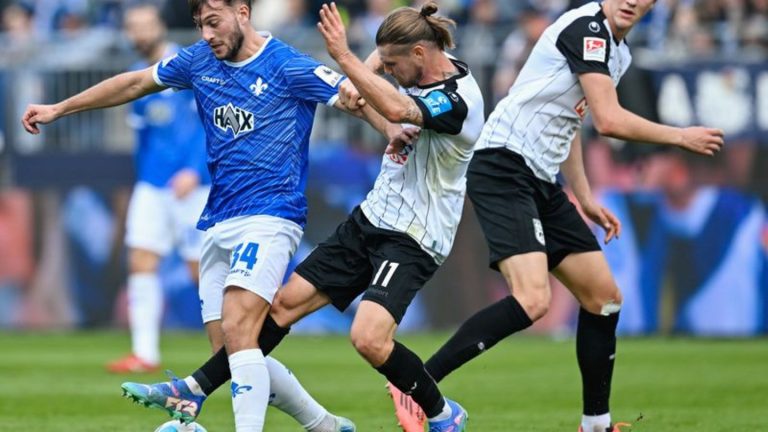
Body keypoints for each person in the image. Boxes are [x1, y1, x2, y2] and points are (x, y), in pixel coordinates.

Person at [20, 0, 407, 429]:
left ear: (242, 13)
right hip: (218, 218)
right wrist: (59, 109)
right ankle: (326, 425)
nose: (206, 34)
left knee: (241, 330)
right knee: (232, 352)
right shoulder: (198, 61)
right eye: (200, 25)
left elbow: (354, 98)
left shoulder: (287, 65)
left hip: (271, 216)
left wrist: (391, 128)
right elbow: (133, 83)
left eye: (213, 22)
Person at [122, 2, 484, 431]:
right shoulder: (419, 60)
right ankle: (199, 390)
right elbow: (376, 81)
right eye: (383, 62)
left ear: (420, 55)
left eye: (391, 64)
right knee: (281, 307)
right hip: (372, 218)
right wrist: (360, 75)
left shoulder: (459, 100)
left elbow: (397, 110)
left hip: (416, 235)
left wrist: (345, 58)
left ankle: (444, 415)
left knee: (368, 339)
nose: (386, 70)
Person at [385, 1, 724, 431]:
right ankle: (416, 384)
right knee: (533, 300)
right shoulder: (588, 29)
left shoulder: (618, 53)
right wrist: (680, 135)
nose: (632, 1)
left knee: (604, 299)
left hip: (541, 178)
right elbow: (609, 121)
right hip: (504, 164)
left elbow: (574, 122)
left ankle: (595, 425)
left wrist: (583, 196)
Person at [104, 2, 210, 375]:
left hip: (192, 185)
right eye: (132, 27)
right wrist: (145, 181)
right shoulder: (136, 76)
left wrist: (195, 171)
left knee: (202, 271)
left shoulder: (182, 68)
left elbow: (208, 122)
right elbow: (146, 141)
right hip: (152, 186)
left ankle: (237, 348)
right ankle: (144, 353)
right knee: (140, 262)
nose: (138, 33)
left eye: (144, 25)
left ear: (160, 27)